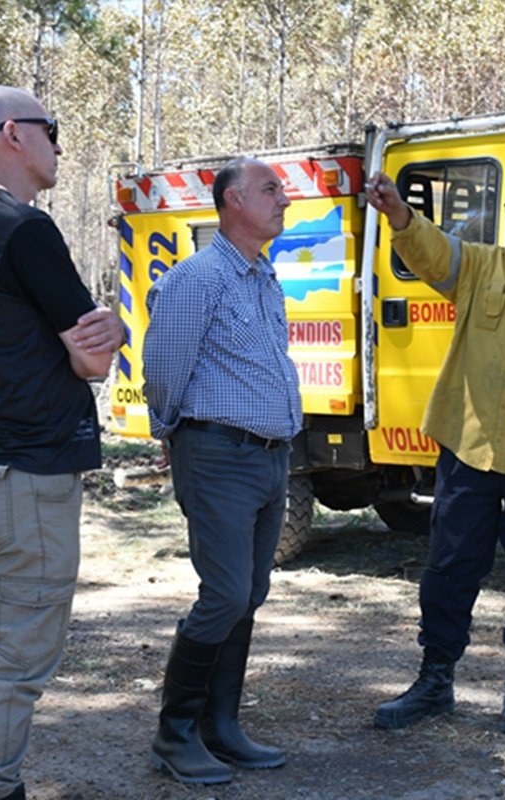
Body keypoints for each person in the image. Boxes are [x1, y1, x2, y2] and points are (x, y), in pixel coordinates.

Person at [0, 85, 125, 800]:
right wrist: (113, 330)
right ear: (12, 133)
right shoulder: (24, 228)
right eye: (52, 128)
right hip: (30, 466)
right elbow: (93, 359)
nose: (59, 145)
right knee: (18, 653)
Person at [366, 169, 505, 735]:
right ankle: (435, 680)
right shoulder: (481, 265)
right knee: (450, 568)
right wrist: (399, 214)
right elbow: (430, 251)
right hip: (470, 450)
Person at [141, 157, 302, 785]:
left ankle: (221, 727)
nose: (283, 199)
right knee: (227, 594)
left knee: (250, 594)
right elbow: (164, 369)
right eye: (270, 189)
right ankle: (174, 733)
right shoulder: (197, 278)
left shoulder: (263, 277)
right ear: (233, 201)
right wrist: (172, 437)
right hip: (217, 454)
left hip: (270, 457)